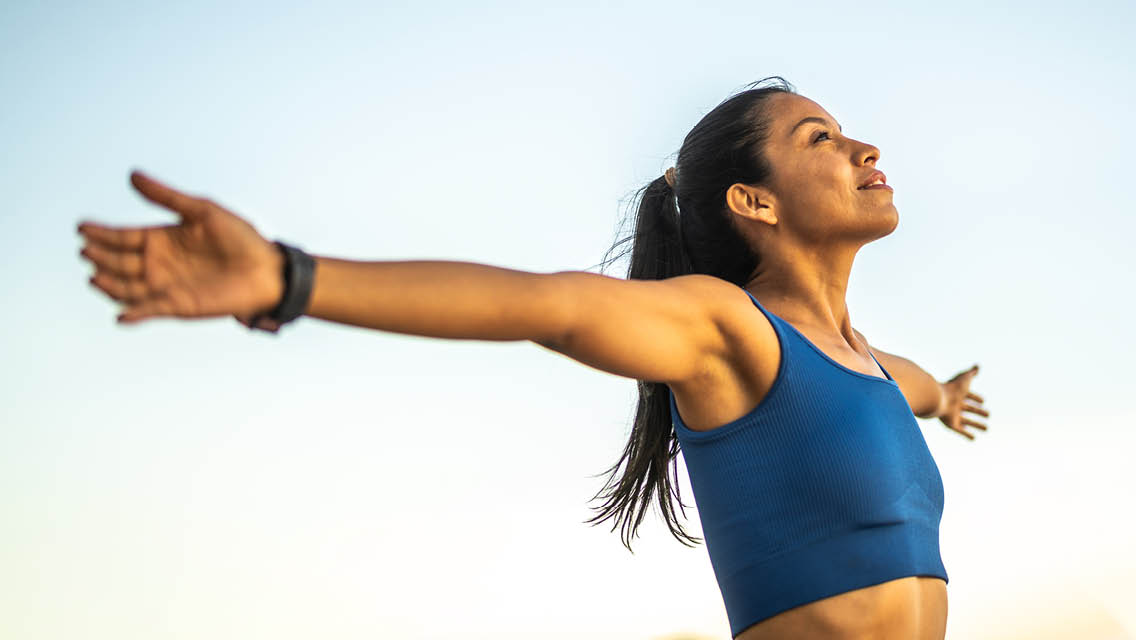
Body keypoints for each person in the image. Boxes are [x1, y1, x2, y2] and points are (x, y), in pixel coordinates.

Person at [77, 76, 989, 639]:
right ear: (754, 201)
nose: (864, 146)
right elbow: (546, 307)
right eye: (819, 138)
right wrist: (288, 277)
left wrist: (944, 397)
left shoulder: (869, 364)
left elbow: (910, 391)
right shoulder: (728, 332)